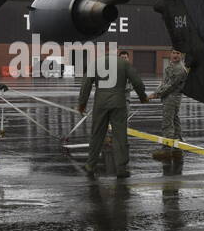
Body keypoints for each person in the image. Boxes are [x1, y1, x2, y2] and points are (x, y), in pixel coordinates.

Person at [78, 49, 147, 177]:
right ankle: (121, 168)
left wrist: (82, 104)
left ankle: (90, 165)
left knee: (97, 134)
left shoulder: (95, 63)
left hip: (100, 103)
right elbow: (137, 82)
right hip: (119, 102)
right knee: (120, 136)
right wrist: (142, 96)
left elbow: (86, 85)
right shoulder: (124, 64)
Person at [151, 49, 188, 159]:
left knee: (168, 121)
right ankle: (177, 146)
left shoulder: (179, 69)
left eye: (178, 53)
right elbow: (164, 82)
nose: (175, 55)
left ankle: (167, 149)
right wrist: (156, 92)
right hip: (169, 97)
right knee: (175, 120)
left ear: (181, 55)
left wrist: (156, 95)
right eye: (173, 53)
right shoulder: (171, 66)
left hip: (173, 98)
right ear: (170, 54)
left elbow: (170, 86)